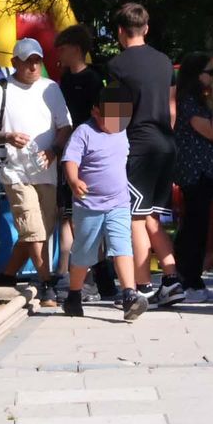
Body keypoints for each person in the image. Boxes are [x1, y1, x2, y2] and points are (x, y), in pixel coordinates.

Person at [0, 37, 73, 308]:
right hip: (15, 171)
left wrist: (53, 150)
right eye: (27, 60)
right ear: (14, 62)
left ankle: (6, 277)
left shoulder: (51, 88)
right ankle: (46, 285)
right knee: (33, 229)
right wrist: (6, 135)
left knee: (38, 231)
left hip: (47, 172)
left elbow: (65, 126)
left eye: (37, 60)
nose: (33, 66)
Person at [106, 2, 184, 307]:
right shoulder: (165, 62)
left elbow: (115, 116)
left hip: (138, 145)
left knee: (134, 218)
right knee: (151, 216)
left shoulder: (117, 66)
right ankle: (172, 279)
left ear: (120, 32)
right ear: (146, 28)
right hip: (166, 143)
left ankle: (140, 286)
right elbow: (172, 109)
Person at [60, 87, 150, 321]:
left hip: (118, 202)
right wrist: (73, 180)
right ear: (96, 112)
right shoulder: (84, 132)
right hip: (89, 205)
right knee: (84, 253)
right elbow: (70, 159)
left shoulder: (121, 132)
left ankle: (129, 295)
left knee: (122, 245)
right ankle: (74, 294)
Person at [53, 24, 112, 296]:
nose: (59, 54)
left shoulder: (93, 79)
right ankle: (69, 273)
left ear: (76, 49)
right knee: (69, 216)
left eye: (62, 49)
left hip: (90, 156)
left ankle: (102, 276)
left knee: (91, 217)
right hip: (69, 154)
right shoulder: (63, 80)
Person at [173, 53, 213, 304]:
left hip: (204, 170)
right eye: (209, 72)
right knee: (194, 227)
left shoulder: (195, 100)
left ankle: (193, 279)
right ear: (196, 75)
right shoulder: (188, 101)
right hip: (195, 172)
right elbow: (212, 132)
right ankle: (189, 280)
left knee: (198, 225)